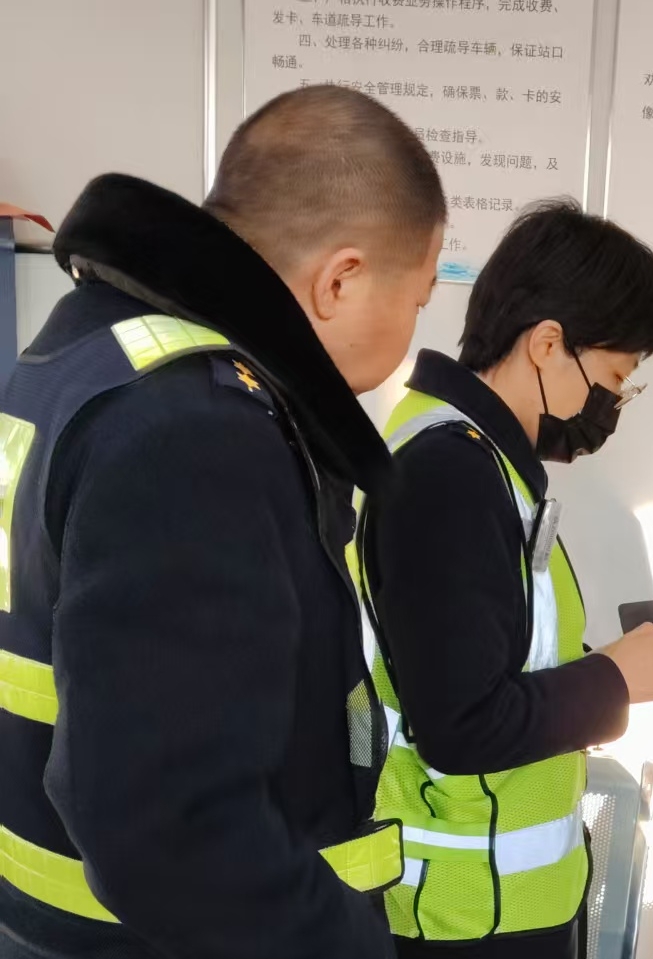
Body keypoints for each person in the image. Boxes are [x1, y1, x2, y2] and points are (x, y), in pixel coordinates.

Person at [0, 86, 445, 959]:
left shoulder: (81, 354)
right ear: (341, 280)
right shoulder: (195, 426)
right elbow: (171, 828)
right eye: (419, 299)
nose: (410, 332)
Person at [353, 199, 653, 959]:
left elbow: (488, 658)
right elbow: (459, 725)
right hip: (460, 917)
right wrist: (614, 681)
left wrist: (612, 667)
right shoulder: (450, 475)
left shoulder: (483, 465)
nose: (611, 405)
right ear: (548, 344)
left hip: (499, 906)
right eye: (614, 377)